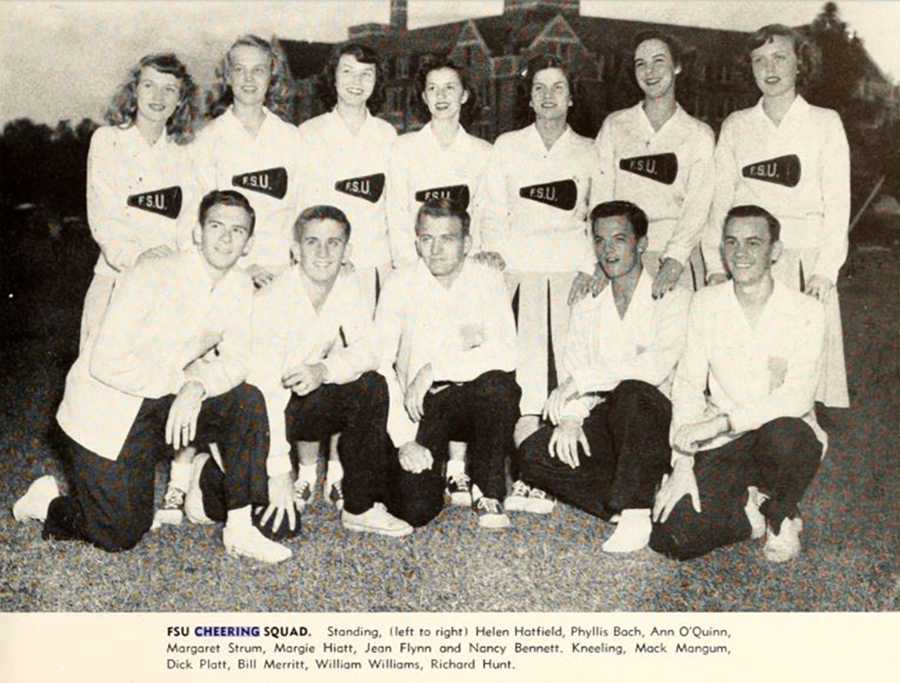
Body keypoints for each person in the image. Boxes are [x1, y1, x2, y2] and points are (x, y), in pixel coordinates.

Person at [14, 190, 294, 564]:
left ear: (249, 243)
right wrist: (182, 385)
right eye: (216, 226)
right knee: (120, 532)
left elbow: (239, 359)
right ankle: (46, 501)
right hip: (104, 410)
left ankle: (240, 529)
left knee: (246, 400)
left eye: (237, 230)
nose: (226, 238)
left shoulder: (240, 285)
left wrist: (198, 385)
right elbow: (107, 362)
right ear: (197, 232)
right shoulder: (151, 273)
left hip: (163, 399)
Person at [513, 201, 691, 554]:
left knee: (631, 392)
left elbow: (655, 368)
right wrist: (570, 420)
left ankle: (636, 512)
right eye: (599, 240)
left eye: (619, 239)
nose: (608, 250)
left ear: (641, 244)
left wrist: (583, 382)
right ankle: (630, 496)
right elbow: (575, 366)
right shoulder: (588, 302)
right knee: (533, 454)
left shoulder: (674, 297)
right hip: (609, 425)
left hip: (658, 424)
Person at [651, 205, 826, 562]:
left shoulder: (807, 310)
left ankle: (780, 513)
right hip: (722, 443)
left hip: (778, 437)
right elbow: (686, 384)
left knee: (790, 436)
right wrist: (682, 463)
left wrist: (723, 420)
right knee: (674, 537)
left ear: (775, 251)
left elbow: (797, 396)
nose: (740, 254)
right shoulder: (705, 303)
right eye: (731, 242)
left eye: (753, 243)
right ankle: (751, 515)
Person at [701, 24, 849, 408]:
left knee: (798, 373)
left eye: (780, 57)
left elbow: (837, 204)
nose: (770, 68)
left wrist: (825, 270)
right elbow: (720, 201)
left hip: (804, 259)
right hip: (749, 259)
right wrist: (717, 264)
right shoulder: (736, 125)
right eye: (759, 60)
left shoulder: (825, 122)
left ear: (800, 65)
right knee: (745, 367)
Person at [243, 204, 411, 537]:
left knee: (370, 385)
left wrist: (324, 369)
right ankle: (211, 470)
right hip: (255, 415)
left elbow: (369, 351)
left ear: (347, 251)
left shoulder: (347, 287)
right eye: (312, 242)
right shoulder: (272, 300)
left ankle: (360, 508)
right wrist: (278, 474)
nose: (323, 252)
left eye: (333, 243)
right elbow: (263, 393)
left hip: (299, 403)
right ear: (295, 249)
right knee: (278, 528)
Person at [387, 56, 502, 506]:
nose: (441, 96)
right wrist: (408, 266)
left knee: (463, 353)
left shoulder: (482, 153)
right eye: (432, 88)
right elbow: (397, 213)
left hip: (464, 270)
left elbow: (490, 213)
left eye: (450, 87)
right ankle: (415, 444)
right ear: (422, 96)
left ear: (465, 95)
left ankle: (458, 467)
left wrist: (482, 258)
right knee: (417, 357)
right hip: (418, 268)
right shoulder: (403, 149)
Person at [482, 54, 603, 447]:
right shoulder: (508, 145)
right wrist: (497, 255)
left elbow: (598, 214)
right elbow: (493, 209)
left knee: (566, 369)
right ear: (529, 99)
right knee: (523, 373)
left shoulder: (590, 150)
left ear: (571, 98)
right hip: (520, 270)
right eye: (539, 88)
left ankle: (556, 460)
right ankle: (523, 462)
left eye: (558, 87)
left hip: (572, 273)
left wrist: (590, 266)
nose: (548, 95)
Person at [377, 199, 520, 529]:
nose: (436, 249)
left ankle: (488, 490)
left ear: (467, 243)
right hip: (422, 409)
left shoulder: (487, 279)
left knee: (497, 385)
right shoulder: (400, 282)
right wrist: (404, 440)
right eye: (427, 238)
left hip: (474, 403)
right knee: (414, 509)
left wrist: (434, 369)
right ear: (416, 242)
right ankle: (445, 473)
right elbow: (381, 365)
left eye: (448, 239)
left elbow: (506, 353)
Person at [81, 52, 199, 350]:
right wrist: (139, 260)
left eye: (169, 89)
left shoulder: (185, 151)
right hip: (118, 279)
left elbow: (189, 221)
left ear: (180, 99)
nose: (158, 96)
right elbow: (105, 217)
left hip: (170, 287)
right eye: (149, 85)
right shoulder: (108, 140)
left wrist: (180, 269)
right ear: (135, 90)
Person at [592, 31, 715, 297]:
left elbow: (698, 206)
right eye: (641, 63)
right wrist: (602, 256)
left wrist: (675, 259)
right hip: (622, 256)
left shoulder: (698, 134)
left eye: (659, 61)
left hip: (676, 259)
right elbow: (601, 198)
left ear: (677, 66)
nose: (649, 71)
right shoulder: (615, 126)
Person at [298, 43, 398, 317]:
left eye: (367, 74)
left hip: (375, 264)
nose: (357, 82)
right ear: (333, 77)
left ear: (376, 82)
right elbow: (303, 207)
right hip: (324, 265)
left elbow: (393, 205)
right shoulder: (309, 134)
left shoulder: (387, 134)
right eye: (348, 72)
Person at [193, 34, 301, 289]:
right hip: (225, 271)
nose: (249, 79)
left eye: (258, 70)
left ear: (271, 76)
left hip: (281, 271)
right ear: (228, 77)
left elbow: (299, 206)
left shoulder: (290, 137)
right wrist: (240, 267)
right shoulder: (208, 138)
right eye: (240, 70)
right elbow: (200, 215)